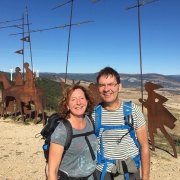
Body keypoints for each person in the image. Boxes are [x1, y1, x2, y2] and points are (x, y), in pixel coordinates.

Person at [91, 67, 150, 180]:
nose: (106, 89)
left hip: (129, 171)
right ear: (98, 88)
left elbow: (144, 146)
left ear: (119, 86)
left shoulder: (132, 110)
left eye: (111, 84)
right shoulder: (93, 113)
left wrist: (146, 177)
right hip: (103, 172)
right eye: (102, 85)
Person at [48, 84, 97, 180]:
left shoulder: (89, 121)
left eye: (82, 98)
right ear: (67, 105)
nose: (78, 102)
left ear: (87, 101)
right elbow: (52, 171)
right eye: (73, 99)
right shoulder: (62, 130)